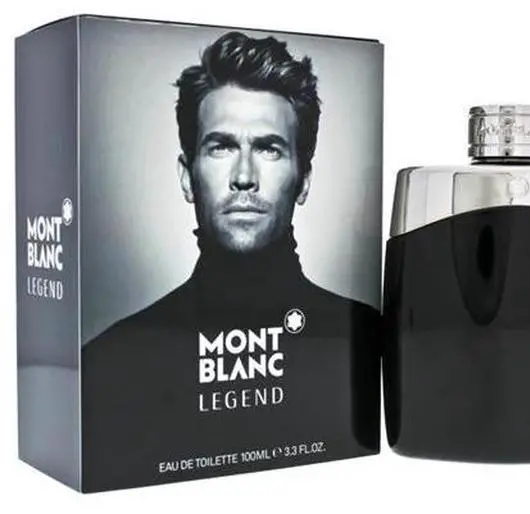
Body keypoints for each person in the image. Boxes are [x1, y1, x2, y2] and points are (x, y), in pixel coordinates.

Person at [81, 31, 379, 492]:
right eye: (221, 146)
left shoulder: (367, 344)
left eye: (268, 148)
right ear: (187, 176)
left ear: (303, 179)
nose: (243, 177)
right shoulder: (106, 367)